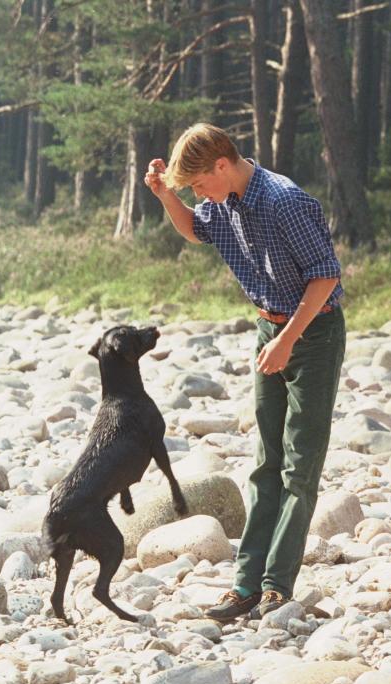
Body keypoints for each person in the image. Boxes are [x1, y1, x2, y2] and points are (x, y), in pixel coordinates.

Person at [144, 123, 346, 620]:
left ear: (221, 165)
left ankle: (277, 585)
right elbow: (196, 229)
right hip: (269, 330)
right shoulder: (221, 200)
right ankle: (246, 584)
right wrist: (167, 195)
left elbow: (326, 276)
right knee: (264, 463)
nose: (198, 195)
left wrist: (287, 340)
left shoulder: (285, 202)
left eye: (197, 184)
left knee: (300, 466)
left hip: (311, 335)